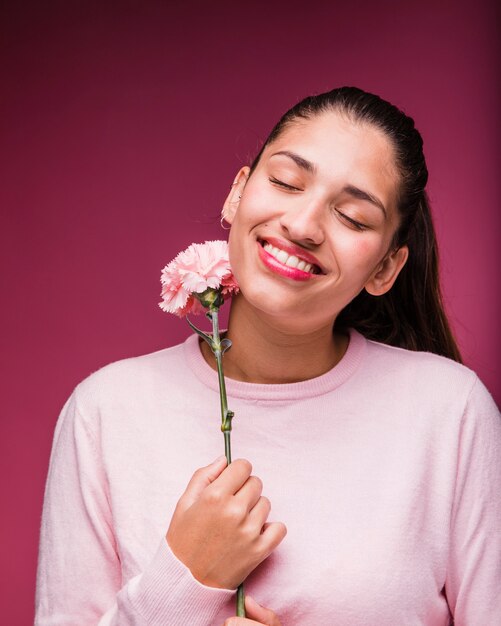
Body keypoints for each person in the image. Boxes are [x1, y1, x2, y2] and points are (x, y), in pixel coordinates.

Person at [35, 87, 501, 626]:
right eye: (285, 182)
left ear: (385, 270)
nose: (303, 226)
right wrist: (186, 577)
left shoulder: (451, 412)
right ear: (238, 194)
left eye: (352, 217)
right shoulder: (105, 412)